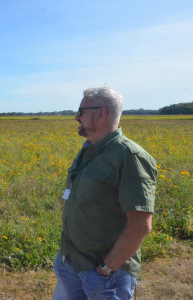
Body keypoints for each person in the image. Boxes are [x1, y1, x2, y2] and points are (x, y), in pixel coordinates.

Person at [53, 87, 157, 300]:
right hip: (71, 263)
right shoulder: (89, 149)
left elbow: (140, 225)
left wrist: (108, 267)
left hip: (104, 276)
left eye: (81, 111)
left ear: (101, 114)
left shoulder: (129, 157)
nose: (76, 117)